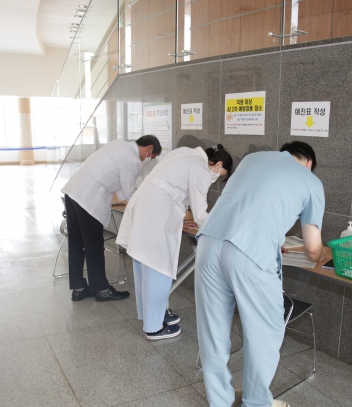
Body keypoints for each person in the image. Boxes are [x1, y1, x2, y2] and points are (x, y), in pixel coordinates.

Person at [195, 141, 325, 407]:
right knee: (264, 331)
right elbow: (313, 249)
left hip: (208, 244)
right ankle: (256, 406)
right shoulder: (311, 181)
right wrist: (322, 252)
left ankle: (219, 403)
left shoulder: (252, 158)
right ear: (309, 163)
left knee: (212, 328)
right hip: (249, 255)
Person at [116, 145, 233, 340]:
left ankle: (152, 315)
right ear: (218, 164)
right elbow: (200, 214)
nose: (216, 178)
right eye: (220, 174)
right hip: (157, 211)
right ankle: (153, 328)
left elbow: (174, 186)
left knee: (143, 264)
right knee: (158, 269)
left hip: (146, 204)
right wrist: (224, 227)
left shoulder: (187, 152)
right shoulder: (201, 170)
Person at [61, 135, 162, 302]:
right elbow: (130, 193)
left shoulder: (119, 145)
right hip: (88, 199)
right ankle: (101, 290)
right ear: (149, 148)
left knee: (76, 243)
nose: (147, 161)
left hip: (73, 192)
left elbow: (119, 185)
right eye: (151, 158)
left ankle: (78, 289)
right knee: (94, 245)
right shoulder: (132, 159)